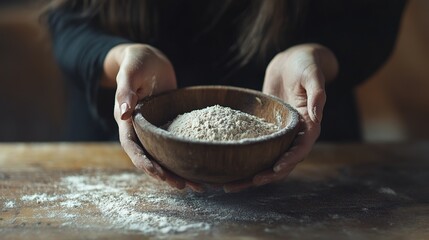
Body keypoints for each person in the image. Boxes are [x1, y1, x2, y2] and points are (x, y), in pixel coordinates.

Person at [44, 0, 407, 192]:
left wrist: (318, 55)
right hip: (111, 161)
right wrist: (119, 58)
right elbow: (67, 20)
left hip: (314, 162)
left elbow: (371, 20)